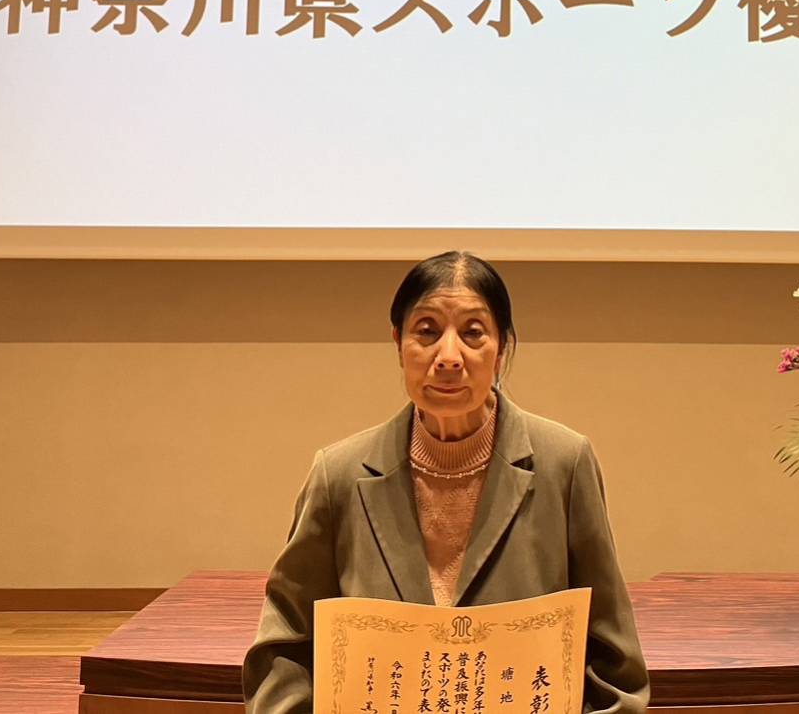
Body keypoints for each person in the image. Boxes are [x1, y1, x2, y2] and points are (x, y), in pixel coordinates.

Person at [243, 251, 650, 714]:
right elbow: (286, 645)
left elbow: (614, 663)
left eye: (473, 333)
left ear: (502, 348)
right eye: (427, 331)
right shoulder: (338, 475)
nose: (449, 357)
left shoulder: (565, 463)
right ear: (398, 343)